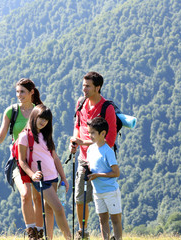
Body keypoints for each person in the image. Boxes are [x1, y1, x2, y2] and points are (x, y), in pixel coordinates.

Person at [0, 78, 44, 239]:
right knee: (25, 194)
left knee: (37, 196)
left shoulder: (40, 111)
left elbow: (45, 137)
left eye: (22, 92)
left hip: (36, 158)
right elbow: (1, 137)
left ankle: (39, 232)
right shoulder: (11, 111)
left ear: (31, 93)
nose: (19, 95)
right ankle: (31, 233)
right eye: (17, 92)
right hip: (18, 158)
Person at [70, 71, 117, 239]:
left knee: (104, 199)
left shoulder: (107, 108)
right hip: (84, 159)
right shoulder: (81, 103)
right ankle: (83, 232)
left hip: (101, 161)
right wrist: (75, 140)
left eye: (88, 86)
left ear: (98, 88)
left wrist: (84, 142)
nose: (84, 89)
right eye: (83, 85)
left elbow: (109, 140)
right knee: (80, 199)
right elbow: (78, 125)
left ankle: (109, 236)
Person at [18, 104, 71, 240]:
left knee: (49, 210)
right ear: (34, 116)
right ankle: (69, 238)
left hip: (53, 177)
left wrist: (63, 178)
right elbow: (21, 161)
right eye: (41, 118)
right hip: (40, 179)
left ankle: (49, 238)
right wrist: (33, 175)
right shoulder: (24, 136)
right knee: (58, 208)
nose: (43, 122)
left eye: (46, 120)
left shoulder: (46, 135)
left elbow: (55, 158)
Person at [84, 117, 122, 240]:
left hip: (110, 191)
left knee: (115, 219)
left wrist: (98, 175)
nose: (90, 135)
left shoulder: (108, 151)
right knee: (102, 219)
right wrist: (88, 171)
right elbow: (93, 166)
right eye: (89, 132)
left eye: (93, 133)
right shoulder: (90, 149)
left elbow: (116, 173)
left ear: (103, 133)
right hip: (97, 191)